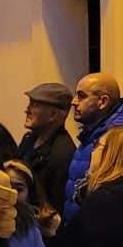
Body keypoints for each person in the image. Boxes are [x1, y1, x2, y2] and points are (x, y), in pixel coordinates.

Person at [64, 73, 123, 219]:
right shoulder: (92, 133)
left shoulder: (118, 139)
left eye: (81, 96)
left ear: (102, 101)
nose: (74, 102)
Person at [18, 81, 76, 217]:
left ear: (53, 115)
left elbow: (54, 206)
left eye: (34, 105)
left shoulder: (63, 154)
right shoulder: (29, 140)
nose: (27, 110)